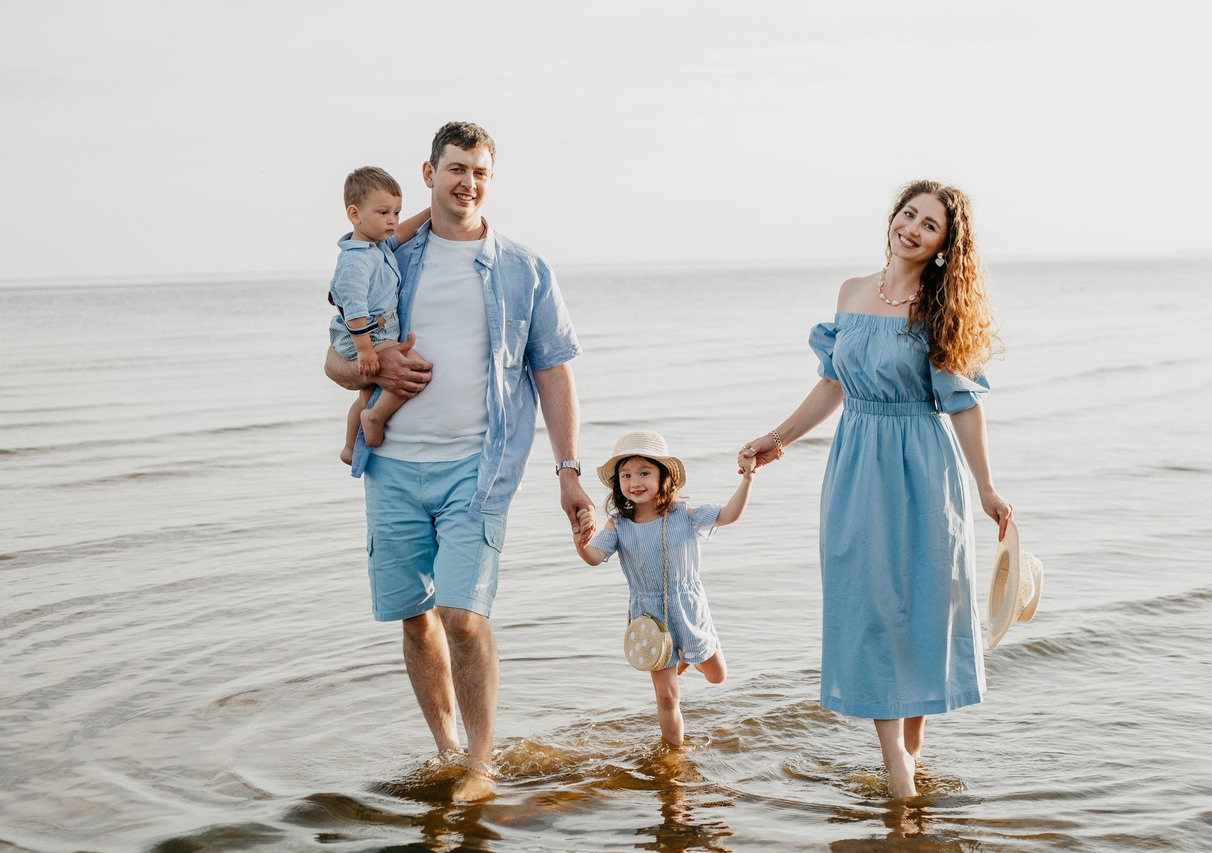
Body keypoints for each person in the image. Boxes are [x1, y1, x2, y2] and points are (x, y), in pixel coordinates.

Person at [324, 122, 595, 802]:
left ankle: (480, 764)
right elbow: (334, 358)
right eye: (455, 167)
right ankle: (445, 749)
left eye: (478, 170)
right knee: (416, 616)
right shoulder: (388, 256)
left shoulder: (523, 270)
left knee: (463, 616)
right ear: (429, 172)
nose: (466, 181)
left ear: (489, 179)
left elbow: (554, 374)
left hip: (477, 469)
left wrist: (569, 470)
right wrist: (372, 367)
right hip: (390, 468)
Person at [740, 180, 1013, 799]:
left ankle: (905, 763)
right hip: (857, 464)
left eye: (930, 225)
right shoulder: (851, 293)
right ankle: (900, 768)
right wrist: (778, 437)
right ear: (893, 216)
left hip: (923, 466)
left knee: (918, 608)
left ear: (945, 245)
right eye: (908, 214)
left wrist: (986, 488)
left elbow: (964, 406)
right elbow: (835, 384)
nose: (912, 228)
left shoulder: (940, 310)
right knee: (866, 607)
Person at [574, 431, 755, 746]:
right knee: (667, 696)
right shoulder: (618, 524)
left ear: (664, 477)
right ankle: (675, 755)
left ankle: (688, 655)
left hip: (689, 607)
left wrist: (748, 479)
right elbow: (594, 557)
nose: (635, 481)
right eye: (626, 475)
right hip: (650, 618)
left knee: (717, 676)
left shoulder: (682, 514)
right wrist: (581, 543)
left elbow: (728, 515)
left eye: (645, 472)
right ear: (617, 483)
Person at [327, 166, 431, 464]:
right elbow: (355, 312)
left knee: (367, 392)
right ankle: (374, 418)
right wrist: (365, 352)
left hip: (374, 333)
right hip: (365, 335)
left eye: (396, 212)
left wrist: (432, 211)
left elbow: (404, 230)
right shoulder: (355, 262)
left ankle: (350, 447)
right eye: (384, 213)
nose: (393, 221)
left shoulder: (379, 246)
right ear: (355, 214)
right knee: (412, 368)